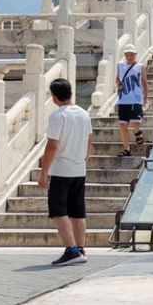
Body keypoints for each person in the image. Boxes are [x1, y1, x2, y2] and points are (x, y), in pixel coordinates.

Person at [38, 78, 92, 266]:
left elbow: (52, 146)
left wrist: (44, 172)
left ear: (54, 97)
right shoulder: (84, 114)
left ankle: (72, 250)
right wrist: (82, 160)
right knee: (78, 211)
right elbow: (89, 142)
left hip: (61, 170)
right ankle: (81, 248)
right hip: (79, 169)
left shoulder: (57, 116)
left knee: (58, 211)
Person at [116, 44, 149, 157]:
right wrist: (118, 84)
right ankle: (126, 149)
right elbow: (117, 78)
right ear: (125, 55)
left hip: (136, 98)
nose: (129, 57)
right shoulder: (120, 65)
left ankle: (137, 132)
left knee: (135, 122)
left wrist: (146, 98)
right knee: (123, 125)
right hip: (123, 99)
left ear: (135, 54)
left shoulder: (140, 66)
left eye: (132, 54)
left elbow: (144, 82)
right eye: (127, 54)